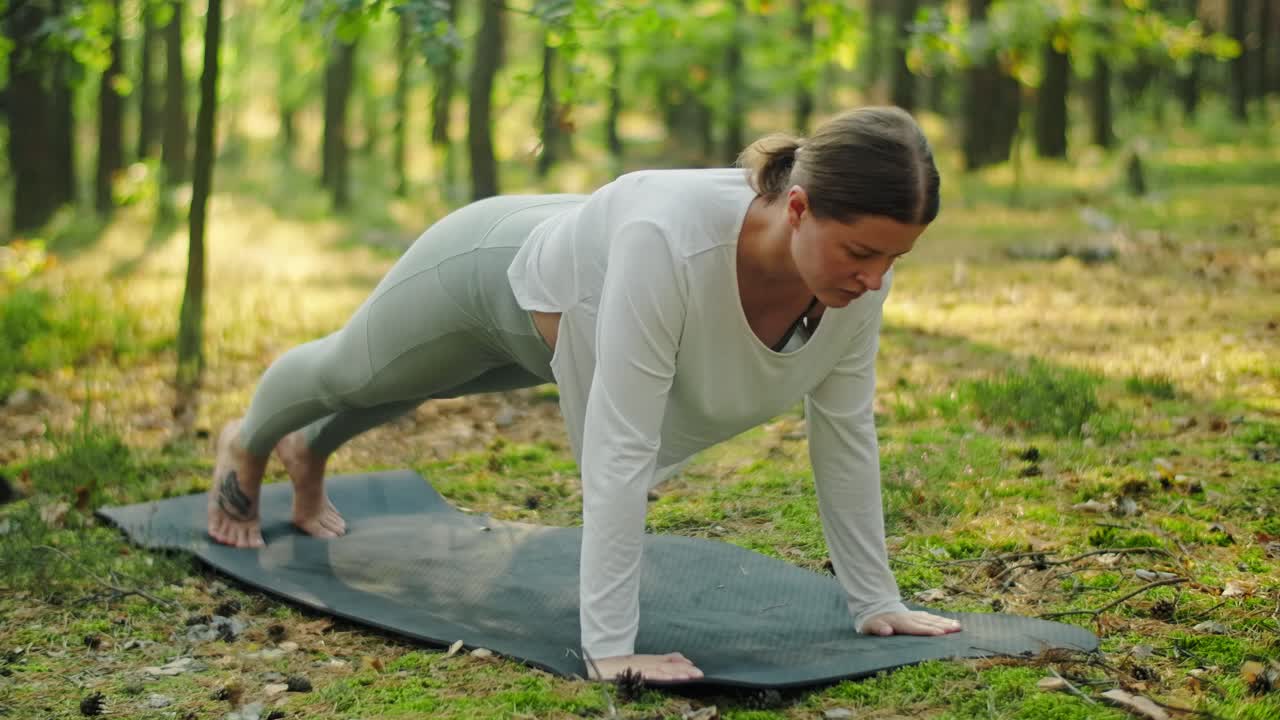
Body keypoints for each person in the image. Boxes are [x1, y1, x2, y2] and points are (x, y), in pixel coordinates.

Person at [208, 105, 963, 683]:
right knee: (356, 371)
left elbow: (845, 430)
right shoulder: (668, 239)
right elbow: (620, 446)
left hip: (569, 321)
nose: (874, 280)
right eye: (861, 252)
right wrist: (612, 648)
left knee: (423, 385)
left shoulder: (858, 281)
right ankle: (247, 445)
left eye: (894, 258)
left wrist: (876, 601)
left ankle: (309, 449)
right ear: (797, 208)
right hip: (485, 272)